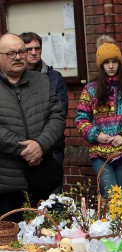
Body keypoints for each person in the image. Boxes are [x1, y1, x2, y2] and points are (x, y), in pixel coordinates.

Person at [0, 33, 65, 252]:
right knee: (5, 242)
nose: (18, 57)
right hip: (5, 178)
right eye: (10, 53)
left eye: (21, 51)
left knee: (36, 239)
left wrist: (41, 144)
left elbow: (57, 115)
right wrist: (22, 148)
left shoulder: (41, 81)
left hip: (40, 176)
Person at [74, 35, 122, 197]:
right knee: (110, 195)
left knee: (121, 196)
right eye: (107, 63)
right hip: (99, 152)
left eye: (114, 62)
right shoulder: (91, 89)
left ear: (119, 64)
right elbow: (81, 119)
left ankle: (121, 223)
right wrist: (97, 135)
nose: (111, 66)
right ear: (101, 65)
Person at [19, 32, 69, 195]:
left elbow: (60, 111)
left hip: (53, 147)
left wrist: (41, 141)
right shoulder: (14, 80)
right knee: (27, 199)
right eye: (29, 49)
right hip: (25, 150)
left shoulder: (54, 77)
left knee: (54, 199)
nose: (33, 52)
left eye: (37, 48)